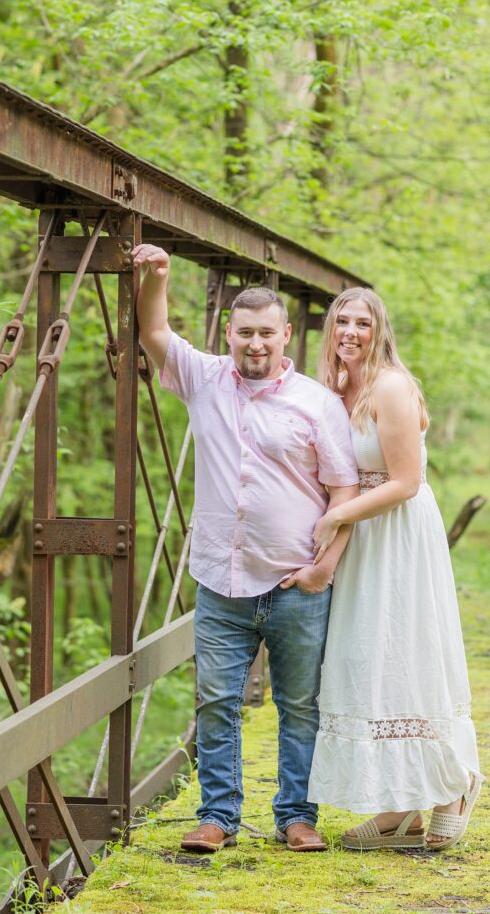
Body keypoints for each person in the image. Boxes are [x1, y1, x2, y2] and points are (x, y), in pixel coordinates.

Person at [133, 243, 359, 854]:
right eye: (243, 333)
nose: (255, 344)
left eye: (266, 333)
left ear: (286, 334)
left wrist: (324, 570)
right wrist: (159, 276)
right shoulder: (204, 379)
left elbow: (344, 486)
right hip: (219, 580)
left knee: (301, 706)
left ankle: (296, 817)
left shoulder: (317, 403)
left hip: (295, 582)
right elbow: (153, 330)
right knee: (215, 703)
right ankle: (218, 818)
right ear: (227, 334)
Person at [307, 287, 482, 851]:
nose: (350, 332)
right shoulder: (336, 389)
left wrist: (335, 518)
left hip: (400, 532)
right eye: (341, 322)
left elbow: (406, 483)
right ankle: (396, 810)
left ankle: (450, 789)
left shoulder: (390, 386)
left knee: (410, 651)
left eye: (362, 322)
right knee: (368, 655)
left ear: (379, 329)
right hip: (364, 536)